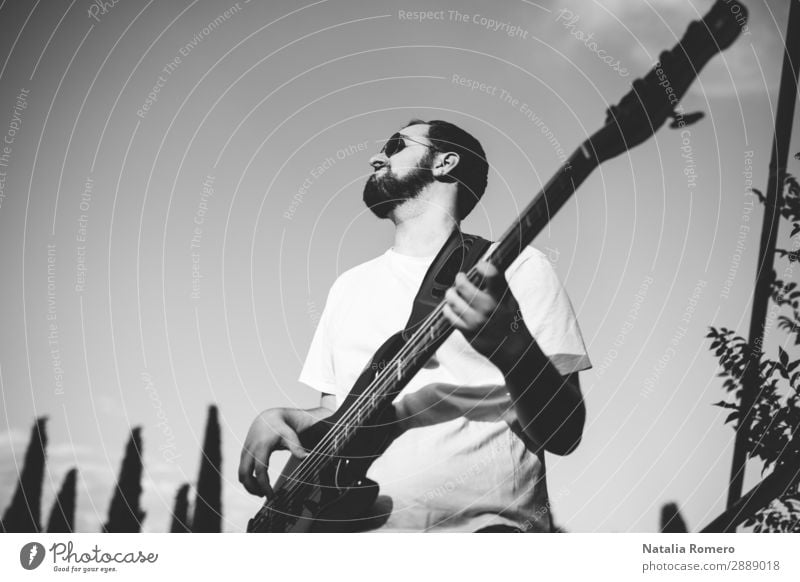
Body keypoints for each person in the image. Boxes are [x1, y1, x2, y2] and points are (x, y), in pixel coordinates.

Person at [238, 119, 591, 532]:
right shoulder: (349, 286)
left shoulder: (519, 268)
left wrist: (511, 348)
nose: (376, 157)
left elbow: (565, 432)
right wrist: (284, 417)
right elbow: (339, 414)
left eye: (395, 145)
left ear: (445, 162)